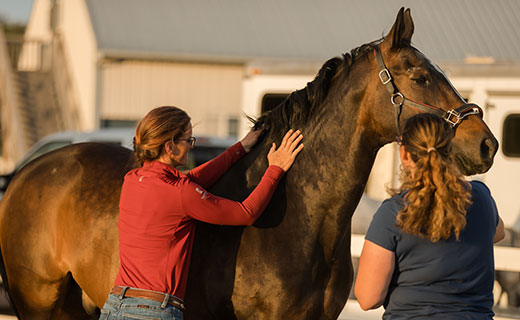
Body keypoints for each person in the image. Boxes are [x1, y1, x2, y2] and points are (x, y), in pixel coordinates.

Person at [99, 106, 304, 320]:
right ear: (169, 146)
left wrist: (239, 149)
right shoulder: (180, 193)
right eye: (188, 140)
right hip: (152, 311)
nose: (190, 147)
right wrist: (276, 169)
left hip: (115, 306)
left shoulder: (132, 179)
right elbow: (246, 213)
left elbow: (190, 181)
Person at [355, 113, 505, 319]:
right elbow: (497, 233)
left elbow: (368, 298)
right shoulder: (481, 198)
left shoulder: (393, 213)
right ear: (450, 149)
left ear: (405, 154)